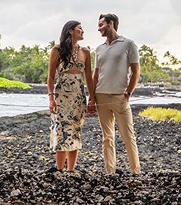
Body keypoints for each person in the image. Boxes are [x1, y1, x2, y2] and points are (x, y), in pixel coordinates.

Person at [89, 13, 141, 174]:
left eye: (101, 25)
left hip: (120, 97)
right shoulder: (99, 49)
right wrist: (92, 98)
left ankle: (135, 171)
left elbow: (136, 72)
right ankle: (109, 171)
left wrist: (128, 93)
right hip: (101, 96)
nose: (99, 29)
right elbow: (95, 75)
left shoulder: (129, 44)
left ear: (111, 24)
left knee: (128, 136)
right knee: (107, 137)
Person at [47, 20, 94, 172]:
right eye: (80, 28)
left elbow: (88, 77)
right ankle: (60, 169)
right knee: (61, 131)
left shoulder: (85, 52)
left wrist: (92, 99)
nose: (83, 31)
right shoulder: (57, 50)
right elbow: (51, 77)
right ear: (70, 31)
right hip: (61, 96)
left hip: (78, 96)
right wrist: (51, 98)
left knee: (75, 131)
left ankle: (71, 170)